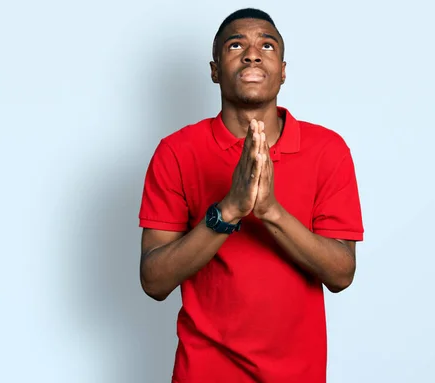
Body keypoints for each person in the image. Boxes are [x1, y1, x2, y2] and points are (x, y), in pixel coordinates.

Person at [138, 7, 364, 383]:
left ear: (284, 71)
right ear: (214, 71)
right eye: (236, 44)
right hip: (203, 373)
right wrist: (227, 211)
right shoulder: (177, 151)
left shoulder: (328, 150)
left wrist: (271, 211)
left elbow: (341, 273)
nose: (253, 53)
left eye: (267, 45)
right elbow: (153, 281)